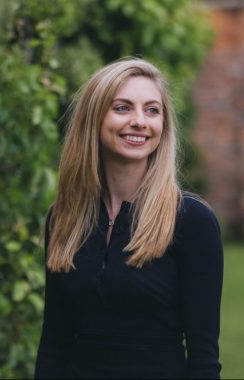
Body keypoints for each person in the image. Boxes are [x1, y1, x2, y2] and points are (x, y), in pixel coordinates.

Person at [34, 58, 223, 379]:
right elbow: (54, 342)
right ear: (94, 119)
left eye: (152, 110)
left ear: (164, 125)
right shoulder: (65, 217)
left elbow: (204, 358)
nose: (140, 121)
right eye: (122, 108)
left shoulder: (192, 221)